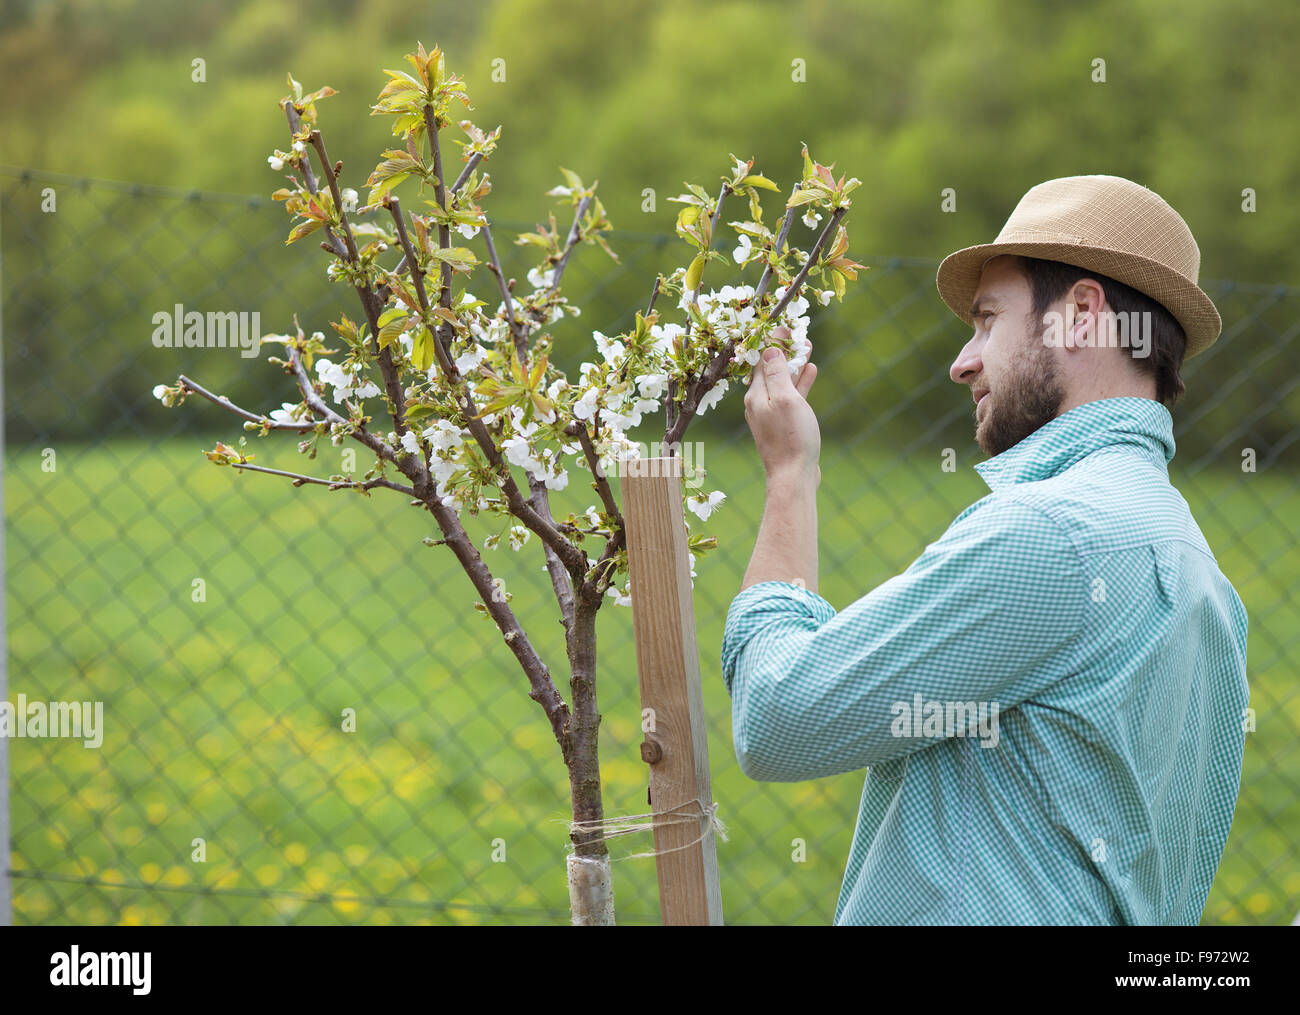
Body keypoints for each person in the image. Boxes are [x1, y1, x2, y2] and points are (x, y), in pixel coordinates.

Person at [722, 174, 1249, 925]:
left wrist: (789, 477)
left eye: (988, 320)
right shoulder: (1200, 570)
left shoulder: (1051, 534)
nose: (962, 362)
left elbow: (777, 719)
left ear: (1083, 315)